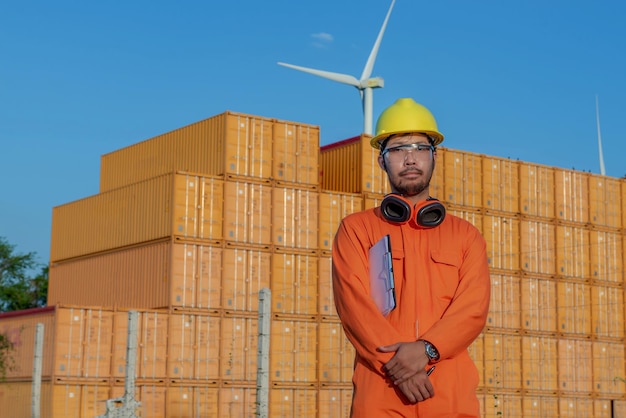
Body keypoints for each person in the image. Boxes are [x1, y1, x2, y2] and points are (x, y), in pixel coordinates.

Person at [332, 98, 491, 417]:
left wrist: (428, 349)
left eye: (420, 147)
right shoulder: (357, 230)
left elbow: (472, 309)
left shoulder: (465, 235)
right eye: (398, 149)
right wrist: (400, 368)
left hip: (451, 397)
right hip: (381, 396)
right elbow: (355, 308)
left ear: (434, 157)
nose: (409, 158)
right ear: (381, 160)